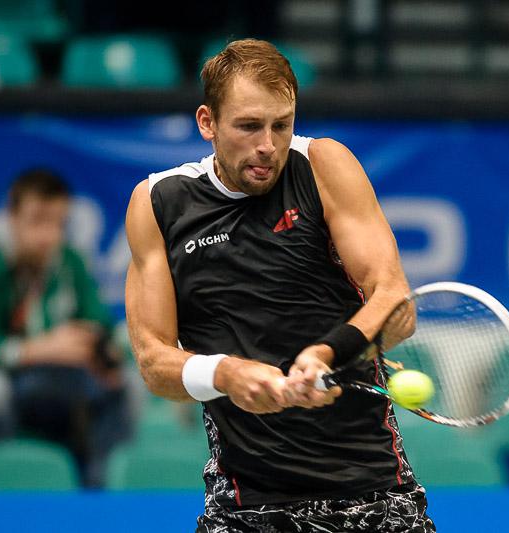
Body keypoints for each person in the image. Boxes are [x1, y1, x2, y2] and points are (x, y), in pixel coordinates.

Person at [125, 39, 434, 531]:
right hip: (245, 504)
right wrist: (226, 374)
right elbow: (153, 361)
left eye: (281, 125)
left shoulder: (323, 165)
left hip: (371, 492)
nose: (268, 145)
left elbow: (396, 303)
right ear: (207, 123)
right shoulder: (160, 203)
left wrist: (328, 353)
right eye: (248, 126)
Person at [0, 168, 132, 487]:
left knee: (123, 385)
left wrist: (99, 351)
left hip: (38, 380)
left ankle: (99, 493)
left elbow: (99, 323)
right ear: (11, 217)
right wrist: (41, 349)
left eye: (58, 223)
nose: (49, 235)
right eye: (38, 221)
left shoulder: (69, 261)